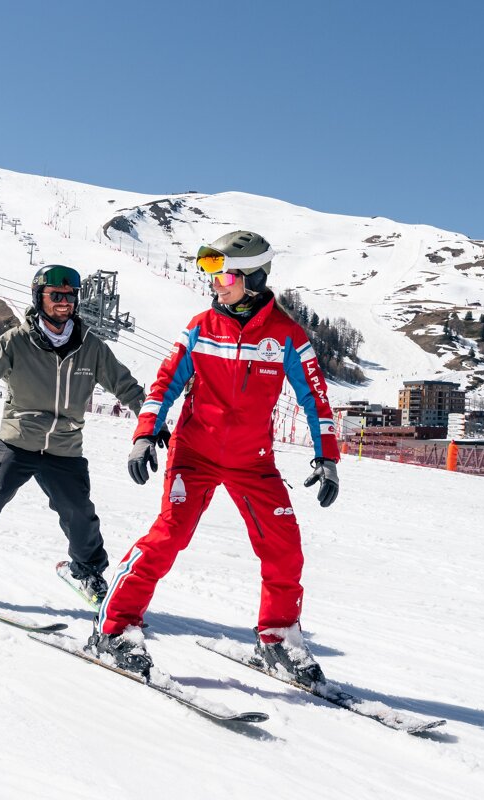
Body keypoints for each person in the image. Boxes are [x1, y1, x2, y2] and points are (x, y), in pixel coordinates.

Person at [88, 230, 342, 683]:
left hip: (253, 462)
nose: (214, 283)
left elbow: (315, 398)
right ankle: (114, 628)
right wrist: (145, 434)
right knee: (169, 537)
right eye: (209, 272)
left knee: (284, 548)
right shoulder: (201, 326)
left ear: (255, 277)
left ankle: (279, 639)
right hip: (195, 454)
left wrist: (328, 457)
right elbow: (164, 383)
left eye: (222, 273)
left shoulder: (285, 336)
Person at [0, 264, 148, 602]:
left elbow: (127, 387)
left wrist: (151, 421)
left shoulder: (90, 347)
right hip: (19, 440)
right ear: (39, 298)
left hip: (65, 447)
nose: (64, 303)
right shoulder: (17, 341)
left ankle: (87, 570)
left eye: (69, 296)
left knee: (79, 513)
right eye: (55, 296)